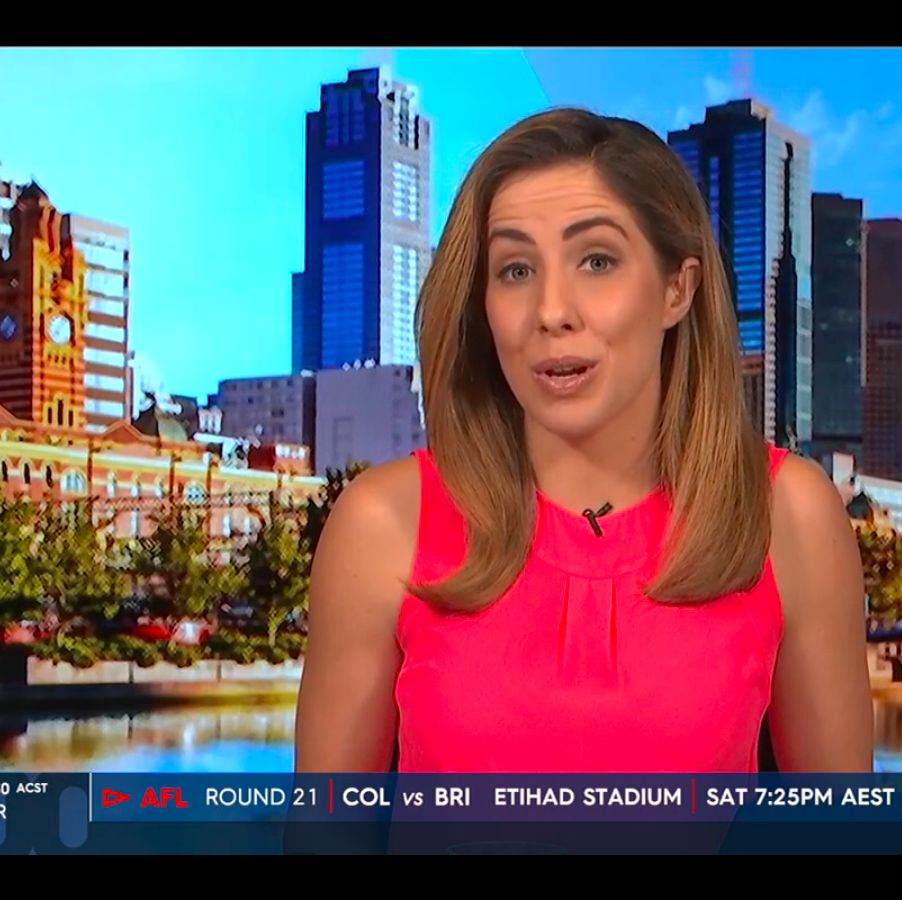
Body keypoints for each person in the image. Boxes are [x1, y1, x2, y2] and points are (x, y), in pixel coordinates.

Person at [294, 107, 872, 774]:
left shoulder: (787, 514)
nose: (551, 312)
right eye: (515, 270)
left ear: (677, 289)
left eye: (597, 261)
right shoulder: (383, 525)